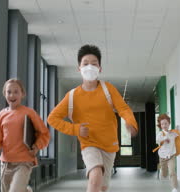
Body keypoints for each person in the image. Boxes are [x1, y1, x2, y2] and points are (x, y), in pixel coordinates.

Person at [48, 44, 138, 192]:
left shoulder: (108, 89)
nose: (90, 67)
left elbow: (123, 108)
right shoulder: (72, 96)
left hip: (110, 146)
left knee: (101, 187)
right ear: (79, 68)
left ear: (100, 69)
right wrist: (75, 129)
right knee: (95, 174)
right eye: (85, 63)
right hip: (88, 144)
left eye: (94, 64)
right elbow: (52, 118)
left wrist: (130, 122)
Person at [0, 79, 50, 192]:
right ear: (4, 94)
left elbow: (44, 133)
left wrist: (36, 146)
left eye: (16, 92)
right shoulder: (2, 115)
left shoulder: (29, 113)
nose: (12, 95)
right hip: (6, 163)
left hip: (24, 162)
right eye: (9, 92)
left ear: (22, 94)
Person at [156, 114, 180, 192]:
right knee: (165, 174)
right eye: (162, 124)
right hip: (162, 156)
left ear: (169, 124)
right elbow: (158, 140)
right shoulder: (160, 134)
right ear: (160, 125)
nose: (164, 125)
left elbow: (178, 132)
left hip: (171, 155)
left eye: (166, 123)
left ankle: (174, 188)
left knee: (172, 171)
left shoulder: (172, 133)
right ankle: (162, 171)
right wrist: (164, 139)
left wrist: (178, 129)